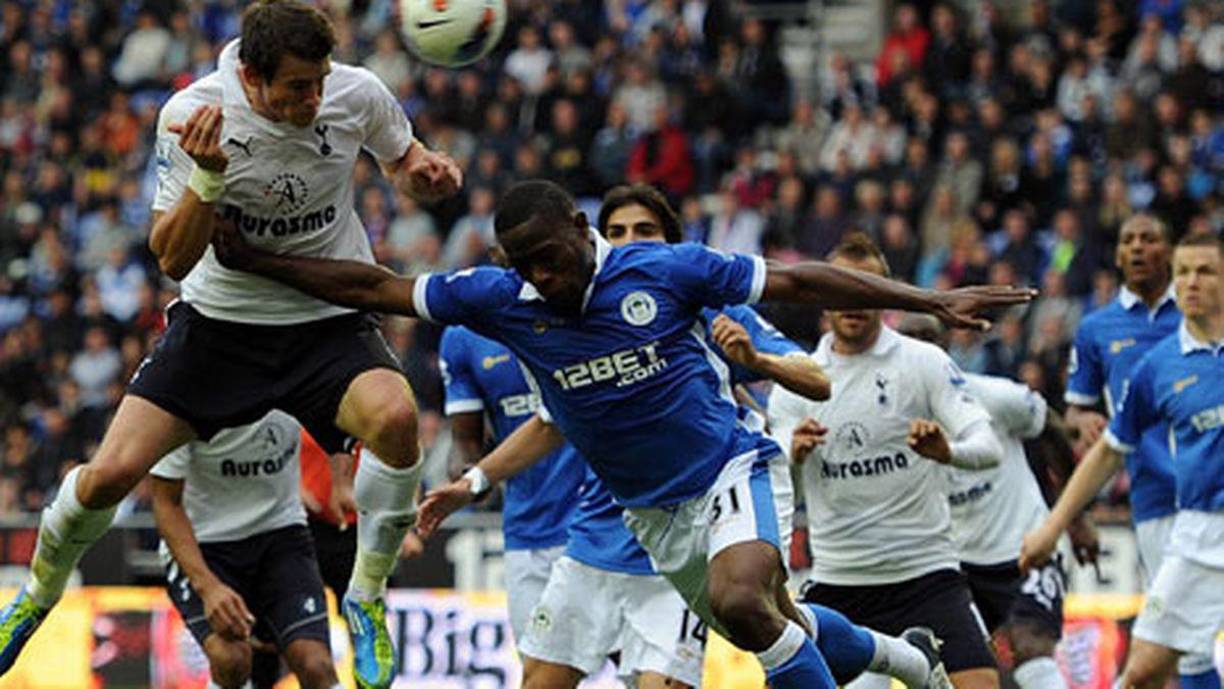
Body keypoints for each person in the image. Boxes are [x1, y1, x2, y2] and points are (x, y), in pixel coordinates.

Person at [210, 178, 1033, 689]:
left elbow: (798, 279)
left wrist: (933, 303)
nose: (543, 277)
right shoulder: (502, 300)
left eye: (549, 257)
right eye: (524, 264)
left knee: (744, 599)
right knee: (777, 620)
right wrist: (254, 260)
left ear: (578, 226)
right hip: (645, 513)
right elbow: (374, 284)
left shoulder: (665, 271)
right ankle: (904, 661)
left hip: (728, 469)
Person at [0, 4, 462, 688]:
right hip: (219, 328)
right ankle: (37, 594)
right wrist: (207, 180)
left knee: (396, 419)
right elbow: (171, 259)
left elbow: (402, 157)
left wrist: (424, 172)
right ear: (251, 78)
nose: (313, 98)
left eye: (319, 81)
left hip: (323, 319)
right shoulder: (193, 117)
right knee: (108, 475)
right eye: (297, 87)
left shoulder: (355, 92)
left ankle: (365, 595)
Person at [505, 184, 830, 689]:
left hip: (702, 519)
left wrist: (757, 363)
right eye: (617, 233)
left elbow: (816, 379)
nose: (631, 241)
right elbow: (548, 424)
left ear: (671, 239)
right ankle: (903, 657)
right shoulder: (568, 319)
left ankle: (897, 659)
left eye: (645, 231)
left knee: (753, 615)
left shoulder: (707, 305)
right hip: (607, 532)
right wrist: (477, 479)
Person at [768, 234, 1004, 689]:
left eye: (866, 288)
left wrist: (947, 452)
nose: (853, 301)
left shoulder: (923, 362)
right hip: (839, 583)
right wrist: (791, 455)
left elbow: (988, 444)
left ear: (885, 294)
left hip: (926, 576)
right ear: (821, 297)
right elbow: (775, 489)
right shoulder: (798, 378)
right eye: (841, 289)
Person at [1022, 215, 1219, 687]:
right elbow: (1103, 444)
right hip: (1177, 517)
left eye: (1205, 271)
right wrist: (1055, 526)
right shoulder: (1148, 358)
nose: (1191, 281)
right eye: (1186, 270)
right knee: (1152, 669)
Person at [898, 313, 1100, 689]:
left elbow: (1051, 430)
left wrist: (1076, 518)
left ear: (947, 348)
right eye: (909, 340)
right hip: (953, 567)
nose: (920, 349)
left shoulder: (994, 396)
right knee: (964, 672)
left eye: (929, 339)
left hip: (1027, 549)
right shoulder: (888, 419)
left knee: (1030, 647)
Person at [150, 410, 341, 689]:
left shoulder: (297, 373)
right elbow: (166, 505)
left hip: (280, 535)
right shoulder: (182, 397)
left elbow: (344, 420)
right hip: (204, 546)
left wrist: (343, 481)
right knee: (232, 660)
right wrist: (209, 587)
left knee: (316, 663)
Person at [440, 324, 585, 644]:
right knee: (539, 667)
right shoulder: (464, 335)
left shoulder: (574, 308)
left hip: (598, 523)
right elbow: (465, 441)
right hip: (528, 530)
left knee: (633, 665)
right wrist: (467, 477)